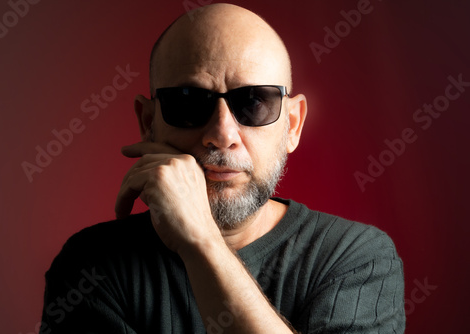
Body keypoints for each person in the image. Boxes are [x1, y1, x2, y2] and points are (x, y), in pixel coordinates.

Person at [40, 3, 405, 333]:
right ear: (148, 121)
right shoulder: (91, 265)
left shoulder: (358, 258)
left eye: (254, 102)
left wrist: (201, 242)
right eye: (189, 103)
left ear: (292, 125)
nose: (222, 134)